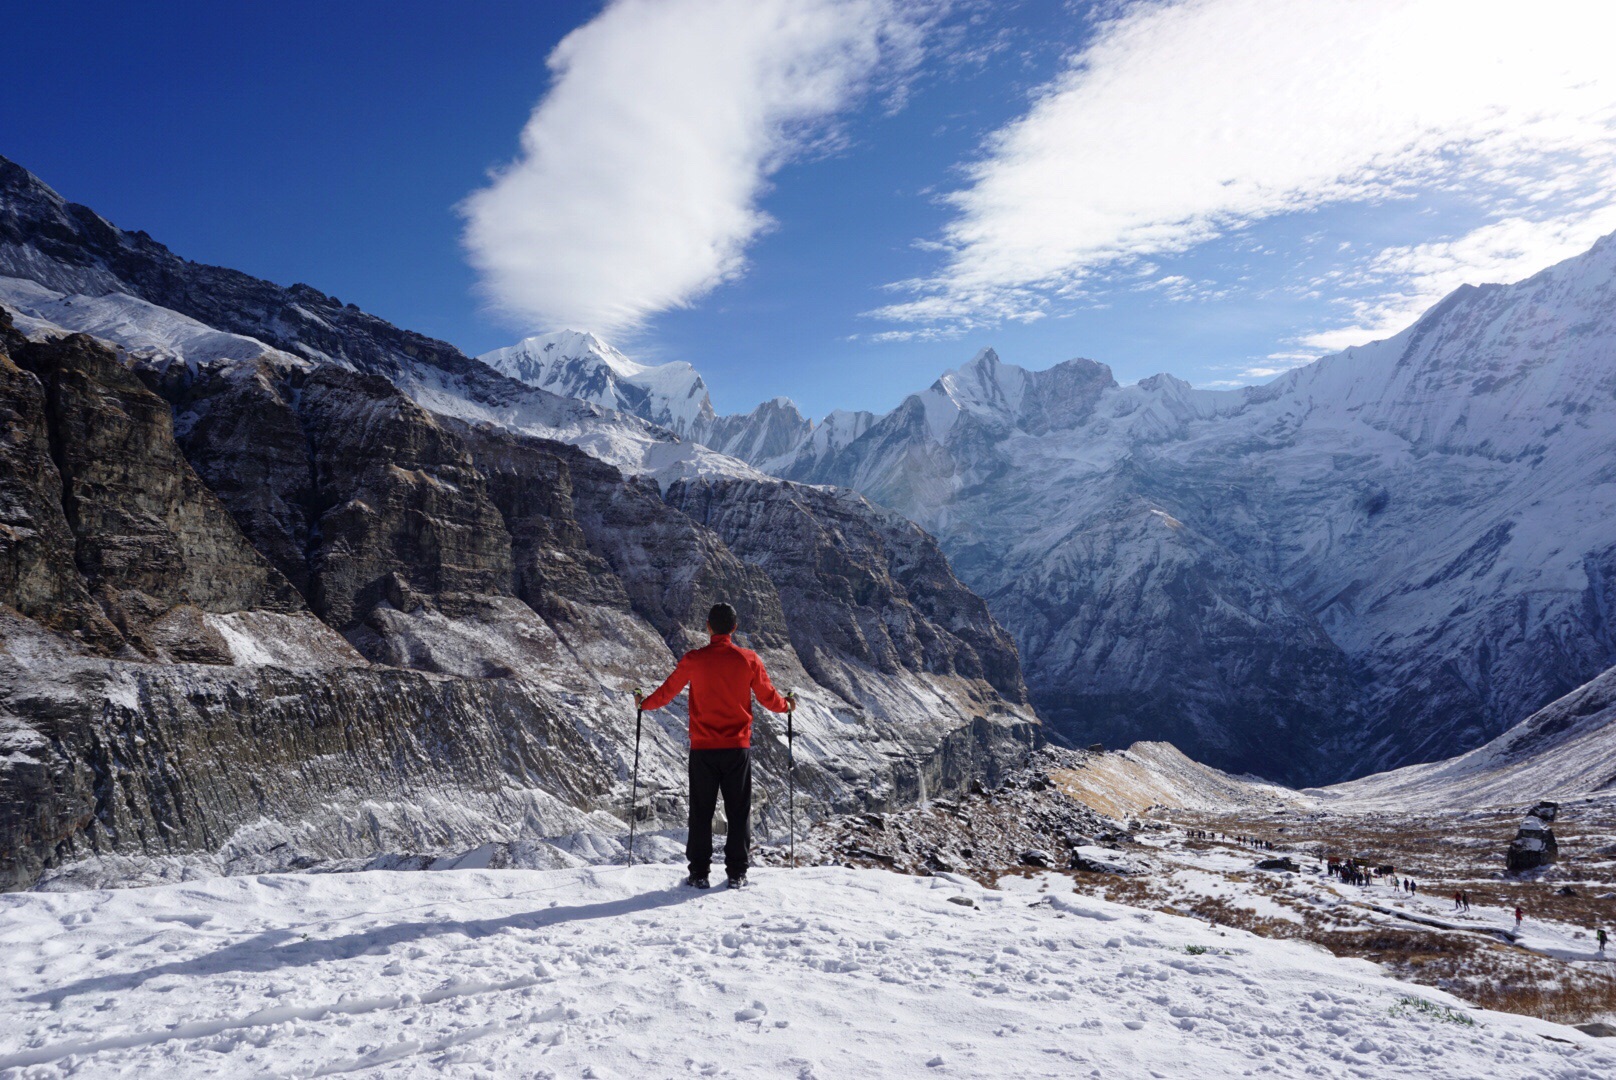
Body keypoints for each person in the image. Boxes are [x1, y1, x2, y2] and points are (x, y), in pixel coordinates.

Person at [637, 602, 794, 891]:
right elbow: (768, 697)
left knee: (701, 812)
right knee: (738, 811)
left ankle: (699, 873)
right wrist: (788, 706)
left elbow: (667, 691)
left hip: (703, 750)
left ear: (708, 627)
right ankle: (737, 873)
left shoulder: (694, 659)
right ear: (734, 628)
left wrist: (643, 703)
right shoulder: (748, 659)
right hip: (737, 748)